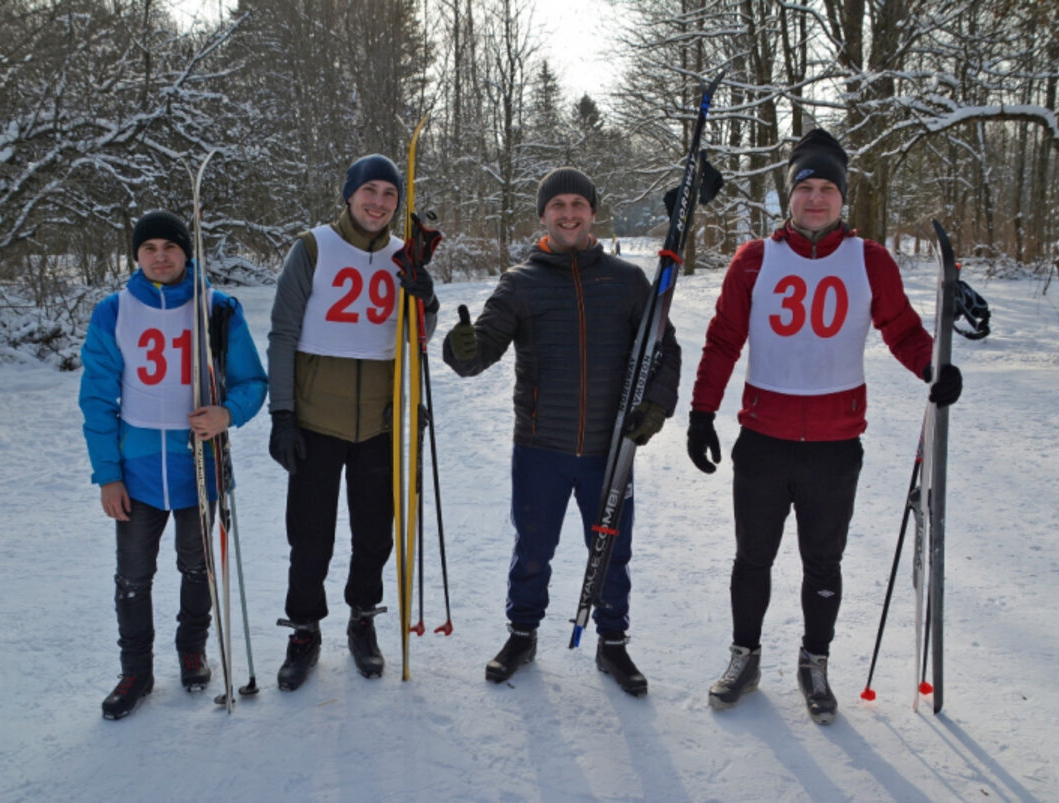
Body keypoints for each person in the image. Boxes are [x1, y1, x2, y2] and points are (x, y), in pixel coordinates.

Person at [686, 129, 963, 724]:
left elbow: (903, 330)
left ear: (844, 197)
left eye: (827, 189)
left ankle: (815, 662)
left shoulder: (870, 260)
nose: (816, 199)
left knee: (823, 563)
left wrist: (933, 367)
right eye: (805, 188)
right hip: (763, 440)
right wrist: (701, 412)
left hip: (835, 446)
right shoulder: (755, 259)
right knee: (751, 558)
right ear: (789, 196)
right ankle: (745, 656)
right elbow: (723, 340)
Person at [443, 167, 680, 697]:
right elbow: (478, 352)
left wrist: (657, 406)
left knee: (611, 551)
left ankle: (612, 643)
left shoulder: (625, 281)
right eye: (558, 205)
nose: (569, 213)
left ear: (593, 212)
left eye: (578, 203)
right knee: (533, 548)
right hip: (539, 449)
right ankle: (522, 635)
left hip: (608, 447)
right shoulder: (521, 283)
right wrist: (460, 349)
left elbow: (665, 348)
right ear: (544, 214)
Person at [80, 210, 268, 720]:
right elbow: (97, 399)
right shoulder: (113, 312)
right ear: (136, 256)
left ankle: (192, 648)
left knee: (196, 565)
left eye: (170, 246)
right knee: (133, 575)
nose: (160, 256)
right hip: (136, 471)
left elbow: (253, 382)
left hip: (198, 465)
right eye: (149, 248)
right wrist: (108, 476)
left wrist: (228, 412)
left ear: (187, 252)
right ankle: (135, 669)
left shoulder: (218, 308)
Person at [266, 154, 439, 690]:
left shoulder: (400, 255)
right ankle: (304, 629)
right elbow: (282, 334)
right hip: (316, 421)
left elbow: (420, 333)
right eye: (370, 191)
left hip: (380, 425)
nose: (379, 202)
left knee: (374, 535)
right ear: (349, 195)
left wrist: (425, 294)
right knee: (310, 537)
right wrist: (282, 414)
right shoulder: (313, 247)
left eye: (390, 194)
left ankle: (363, 618)